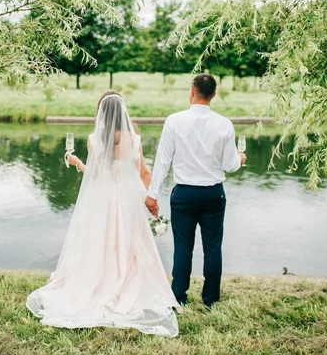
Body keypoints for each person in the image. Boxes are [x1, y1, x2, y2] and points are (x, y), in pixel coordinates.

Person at [27, 91, 181, 337]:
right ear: (123, 113)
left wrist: (76, 162)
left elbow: (96, 175)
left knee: (99, 241)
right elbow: (141, 172)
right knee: (128, 243)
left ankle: (99, 282)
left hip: (103, 200)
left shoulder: (93, 139)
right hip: (128, 201)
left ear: (101, 114)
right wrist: (152, 198)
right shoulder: (135, 139)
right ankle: (127, 284)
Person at [145, 74, 247, 308]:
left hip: (184, 195)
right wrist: (241, 158)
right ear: (214, 95)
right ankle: (210, 299)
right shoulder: (224, 124)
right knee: (213, 247)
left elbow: (162, 161)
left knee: (183, 247)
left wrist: (152, 194)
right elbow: (229, 165)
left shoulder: (174, 121)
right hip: (213, 194)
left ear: (192, 91)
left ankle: (178, 296)